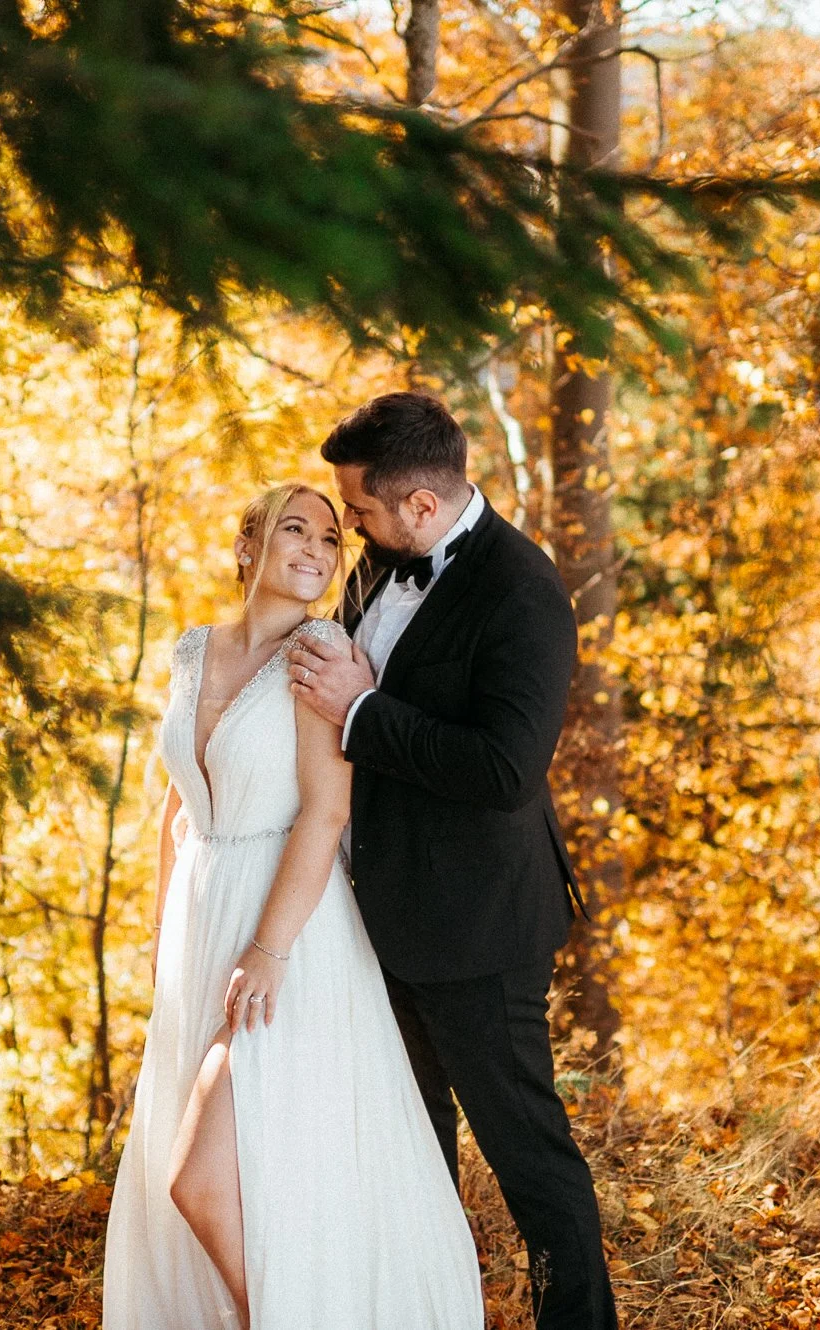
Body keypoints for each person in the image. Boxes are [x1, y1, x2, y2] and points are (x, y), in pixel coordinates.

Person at [101, 482, 484, 1329]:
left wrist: (268, 950)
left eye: (328, 539)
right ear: (250, 547)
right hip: (202, 919)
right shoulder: (193, 650)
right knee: (240, 1166)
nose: (316, 549)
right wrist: (164, 927)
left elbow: (327, 810)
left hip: (287, 927)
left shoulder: (319, 651)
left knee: (200, 1176)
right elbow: (178, 801)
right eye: (294, 531)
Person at [288, 392, 618, 1329]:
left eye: (359, 509)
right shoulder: (379, 565)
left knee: (528, 1159)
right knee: (409, 1149)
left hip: (480, 929)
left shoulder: (523, 590)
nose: (348, 526)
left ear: (422, 507)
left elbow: (506, 770)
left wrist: (362, 713)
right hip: (373, 918)